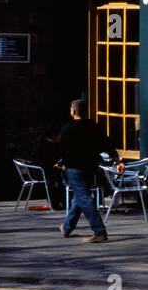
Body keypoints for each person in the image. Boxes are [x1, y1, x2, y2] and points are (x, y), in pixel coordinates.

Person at [58, 99, 124, 242]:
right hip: (91, 167)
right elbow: (107, 144)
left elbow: (61, 150)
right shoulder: (94, 126)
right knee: (80, 196)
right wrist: (118, 161)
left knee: (84, 198)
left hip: (75, 168)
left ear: (73, 111)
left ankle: (99, 231)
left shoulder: (67, 128)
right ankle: (67, 227)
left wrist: (63, 164)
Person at [30, 123, 65, 209]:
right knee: (65, 176)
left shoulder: (53, 144)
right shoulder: (42, 146)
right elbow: (46, 163)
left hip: (49, 169)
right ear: (54, 136)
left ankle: (64, 201)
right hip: (42, 172)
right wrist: (58, 166)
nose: (61, 137)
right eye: (59, 135)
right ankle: (61, 202)